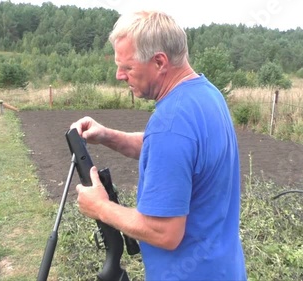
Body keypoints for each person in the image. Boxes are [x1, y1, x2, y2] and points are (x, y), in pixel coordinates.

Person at [70, 10, 247, 281]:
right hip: (224, 270)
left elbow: (164, 233)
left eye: (127, 67)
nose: (119, 75)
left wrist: (101, 208)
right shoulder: (206, 94)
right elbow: (177, 152)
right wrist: (108, 135)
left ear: (160, 62)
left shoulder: (171, 124)